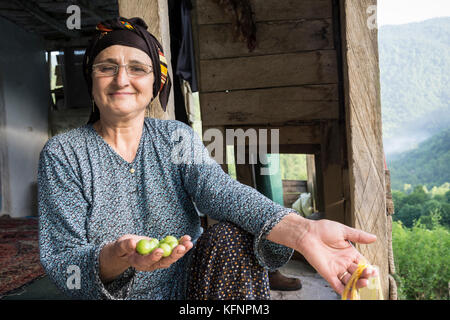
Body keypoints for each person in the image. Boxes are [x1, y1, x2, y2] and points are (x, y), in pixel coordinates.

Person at [38, 17, 377, 300]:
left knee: (232, 236)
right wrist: (114, 258)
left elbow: (220, 191)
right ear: (91, 79)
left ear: (156, 84)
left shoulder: (175, 137)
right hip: (112, 297)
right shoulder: (64, 154)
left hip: (192, 294)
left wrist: (301, 231)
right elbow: (63, 263)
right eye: (107, 67)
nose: (122, 79)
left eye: (137, 68)